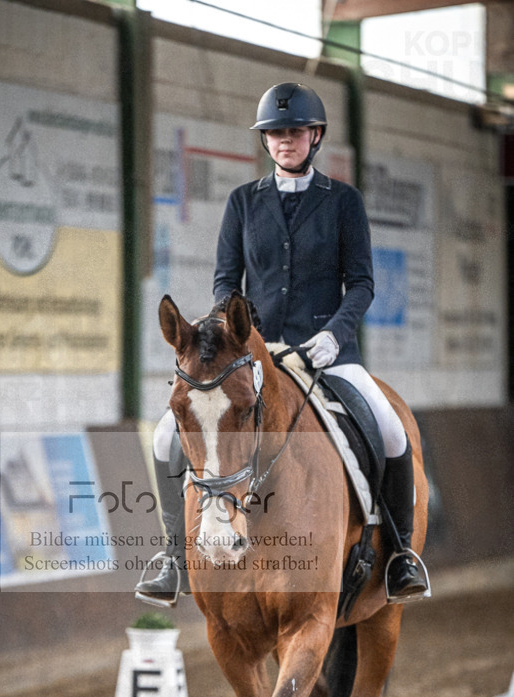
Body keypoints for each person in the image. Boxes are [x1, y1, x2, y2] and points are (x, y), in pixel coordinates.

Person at [136, 82, 429, 607]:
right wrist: (241, 332)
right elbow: (226, 283)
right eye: (274, 134)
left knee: (390, 429)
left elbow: (361, 283)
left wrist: (333, 334)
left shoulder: (343, 202)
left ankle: (402, 554)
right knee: (164, 437)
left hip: (327, 353)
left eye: (293, 132)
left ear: (315, 137)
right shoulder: (243, 202)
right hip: (254, 354)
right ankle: (171, 556)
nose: (283, 141)